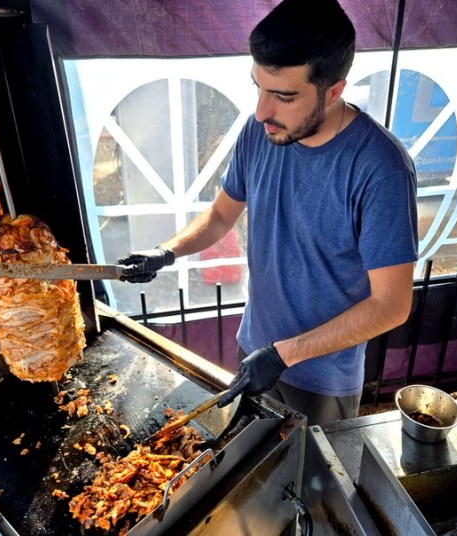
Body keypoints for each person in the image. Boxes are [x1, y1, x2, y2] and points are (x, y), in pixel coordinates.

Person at [117, 0, 418, 425]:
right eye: (258, 88)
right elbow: (221, 216)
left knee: (308, 484)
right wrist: (166, 252)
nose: (262, 111)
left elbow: (391, 305)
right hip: (256, 347)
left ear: (334, 90)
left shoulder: (380, 168)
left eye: (283, 95)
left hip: (320, 376)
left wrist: (286, 354)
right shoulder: (261, 132)